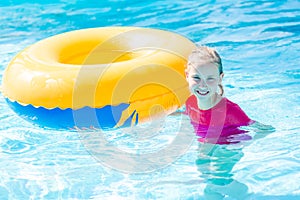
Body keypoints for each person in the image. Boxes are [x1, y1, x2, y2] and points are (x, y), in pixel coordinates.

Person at [184, 45, 256, 144]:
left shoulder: (230, 111)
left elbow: (261, 129)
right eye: (196, 77)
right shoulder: (190, 102)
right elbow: (189, 114)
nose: (202, 85)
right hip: (206, 142)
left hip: (228, 149)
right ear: (187, 76)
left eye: (210, 79)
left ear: (220, 78)